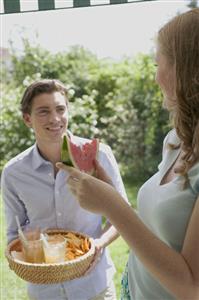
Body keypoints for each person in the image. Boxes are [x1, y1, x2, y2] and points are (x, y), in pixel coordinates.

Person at [56, 8, 199, 300]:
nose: (156, 76)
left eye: (158, 63)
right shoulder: (177, 141)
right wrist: (110, 192)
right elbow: (158, 230)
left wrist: (111, 206)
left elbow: (191, 286)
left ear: (186, 71)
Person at [1, 79, 129, 300]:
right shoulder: (14, 172)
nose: (55, 118)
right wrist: (23, 253)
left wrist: (100, 243)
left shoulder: (99, 155)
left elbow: (122, 213)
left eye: (60, 109)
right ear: (27, 119)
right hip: (44, 291)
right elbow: (15, 232)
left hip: (94, 286)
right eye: (43, 111)